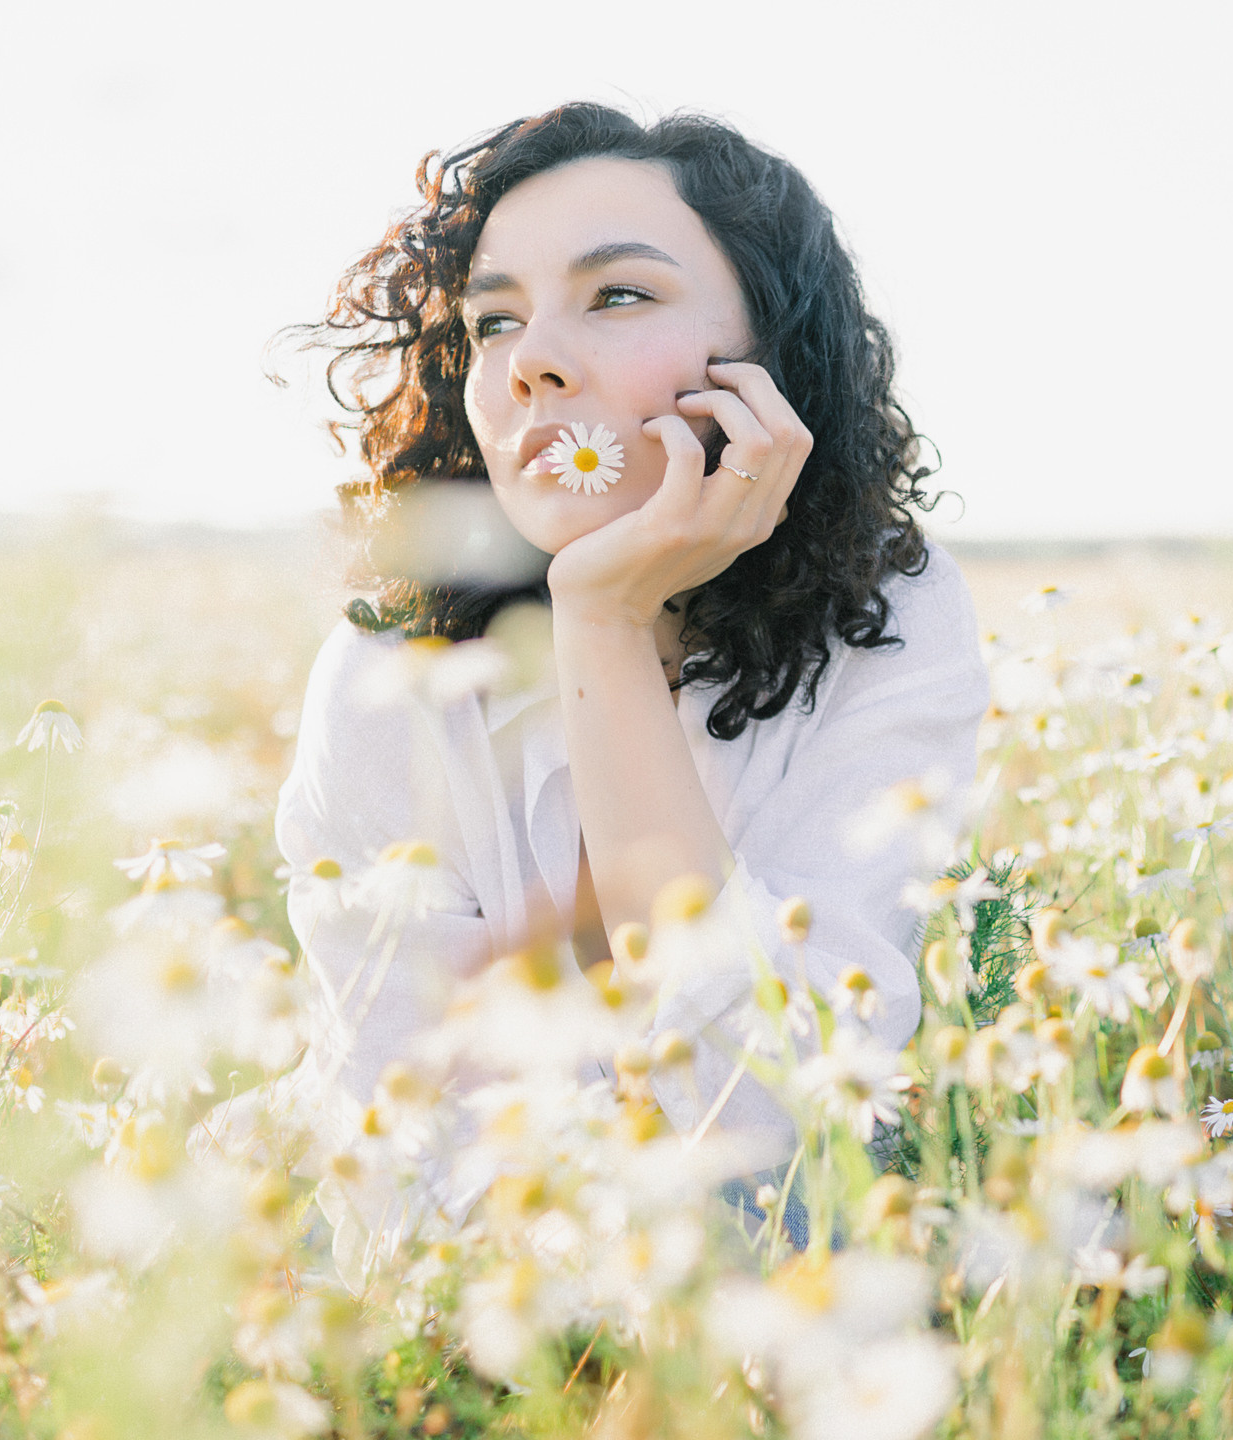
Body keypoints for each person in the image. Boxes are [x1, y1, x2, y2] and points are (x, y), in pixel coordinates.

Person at [262, 103, 987, 1223]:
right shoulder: (389, 672)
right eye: (495, 321)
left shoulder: (887, 622)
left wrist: (600, 621)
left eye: (617, 297)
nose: (532, 364)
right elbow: (415, 1170)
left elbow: (771, 1132)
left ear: (769, 356)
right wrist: (598, 610)